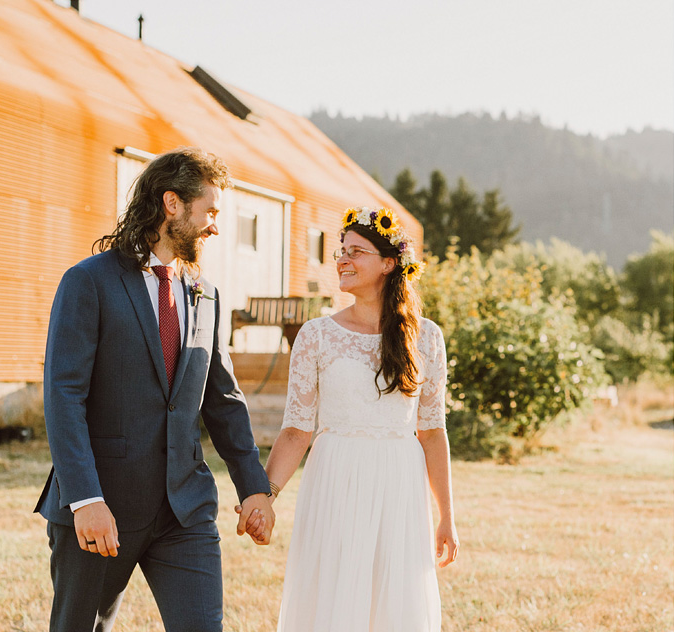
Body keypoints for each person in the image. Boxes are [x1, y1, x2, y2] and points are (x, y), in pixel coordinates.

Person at [36, 146, 276, 631]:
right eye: (209, 210)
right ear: (172, 204)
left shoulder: (206, 293)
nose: (214, 226)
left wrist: (255, 489)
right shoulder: (89, 282)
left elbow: (223, 401)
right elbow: (64, 396)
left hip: (185, 511)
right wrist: (85, 499)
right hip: (102, 509)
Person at [264, 206, 457, 631]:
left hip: (399, 482)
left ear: (389, 264)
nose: (342, 260)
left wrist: (446, 516)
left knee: (393, 598)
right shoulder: (315, 335)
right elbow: (296, 431)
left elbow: (432, 432)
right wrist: (266, 496)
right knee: (333, 595)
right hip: (335, 477)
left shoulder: (426, 337)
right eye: (340, 251)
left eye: (356, 251)